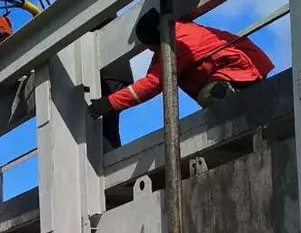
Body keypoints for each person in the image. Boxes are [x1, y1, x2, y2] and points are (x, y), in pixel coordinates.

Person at [90, 10, 274, 148]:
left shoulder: (179, 43)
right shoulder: (174, 33)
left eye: (151, 48)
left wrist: (108, 103)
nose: (151, 52)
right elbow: (156, 70)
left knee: (211, 94)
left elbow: (154, 82)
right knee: (208, 93)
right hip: (240, 68)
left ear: (155, 40)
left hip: (241, 71)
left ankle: (236, 125)